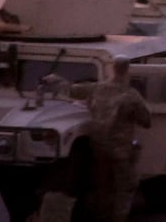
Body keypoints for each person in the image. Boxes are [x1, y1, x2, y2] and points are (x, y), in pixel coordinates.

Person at [46, 56, 151, 222]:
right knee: (124, 188)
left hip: (99, 148)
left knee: (101, 187)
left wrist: (56, 79)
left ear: (111, 68)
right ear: (127, 70)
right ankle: (118, 218)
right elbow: (146, 121)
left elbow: (71, 89)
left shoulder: (96, 88)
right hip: (121, 150)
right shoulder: (131, 95)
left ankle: (100, 216)